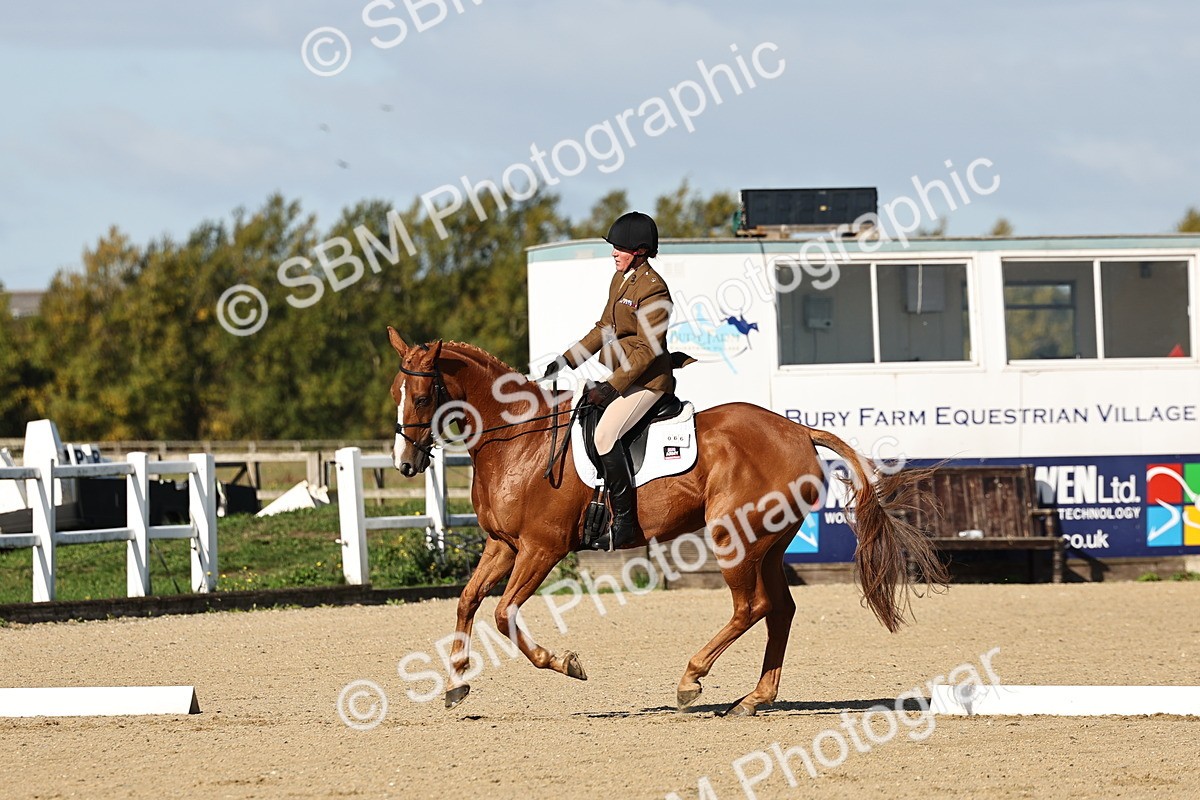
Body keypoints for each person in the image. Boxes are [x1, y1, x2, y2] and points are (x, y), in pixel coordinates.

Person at [540, 211, 678, 550]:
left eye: (620, 247)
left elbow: (647, 350)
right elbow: (604, 329)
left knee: (604, 435)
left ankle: (625, 525)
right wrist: (567, 360)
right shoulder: (621, 279)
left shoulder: (655, 290)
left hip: (649, 381)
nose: (613, 252)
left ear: (640, 250)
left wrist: (610, 387)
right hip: (624, 374)